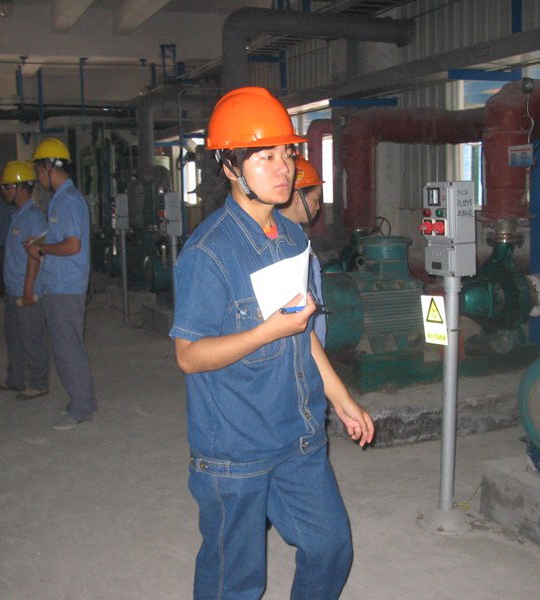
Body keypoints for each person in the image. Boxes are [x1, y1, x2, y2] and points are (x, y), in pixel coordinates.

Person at [170, 86, 374, 599]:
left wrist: (341, 399)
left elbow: (301, 332)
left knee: (330, 547)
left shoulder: (292, 237)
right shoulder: (208, 254)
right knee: (235, 582)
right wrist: (267, 330)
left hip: (297, 435)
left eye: (286, 153)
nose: (283, 168)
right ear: (230, 166)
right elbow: (189, 356)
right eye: (265, 157)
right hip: (235, 446)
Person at [25, 138, 96, 430]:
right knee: (69, 347)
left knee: (68, 350)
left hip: (66, 287)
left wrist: (41, 249)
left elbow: (72, 245)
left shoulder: (68, 201)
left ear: (49, 166)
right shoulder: (60, 200)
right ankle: (83, 400)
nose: (37, 176)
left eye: (38, 169)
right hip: (59, 284)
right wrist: (43, 243)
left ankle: (81, 408)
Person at [0, 160, 50, 401]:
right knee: (14, 338)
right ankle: (16, 378)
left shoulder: (34, 217)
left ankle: (38, 383)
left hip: (27, 291)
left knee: (32, 338)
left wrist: (28, 290)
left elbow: (35, 257)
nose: (4, 191)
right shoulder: (18, 216)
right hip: (14, 289)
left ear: (20, 187)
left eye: (7, 186)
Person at [279, 155, 327, 347]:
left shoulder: (297, 235)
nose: (319, 207)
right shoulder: (281, 242)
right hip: (300, 347)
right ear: (298, 198)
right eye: (315, 199)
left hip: (312, 346)